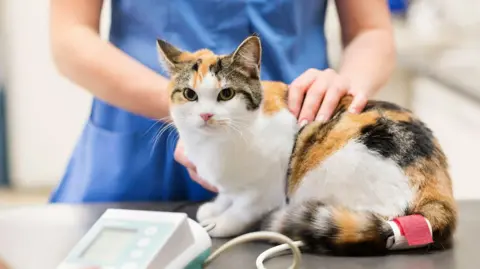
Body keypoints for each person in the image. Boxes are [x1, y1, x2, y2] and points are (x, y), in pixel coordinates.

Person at [48, 0, 395, 203]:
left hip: (291, 143)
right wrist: (186, 111)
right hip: (142, 147)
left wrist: (346, 87)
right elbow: (70, 36)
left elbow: (370, 31)